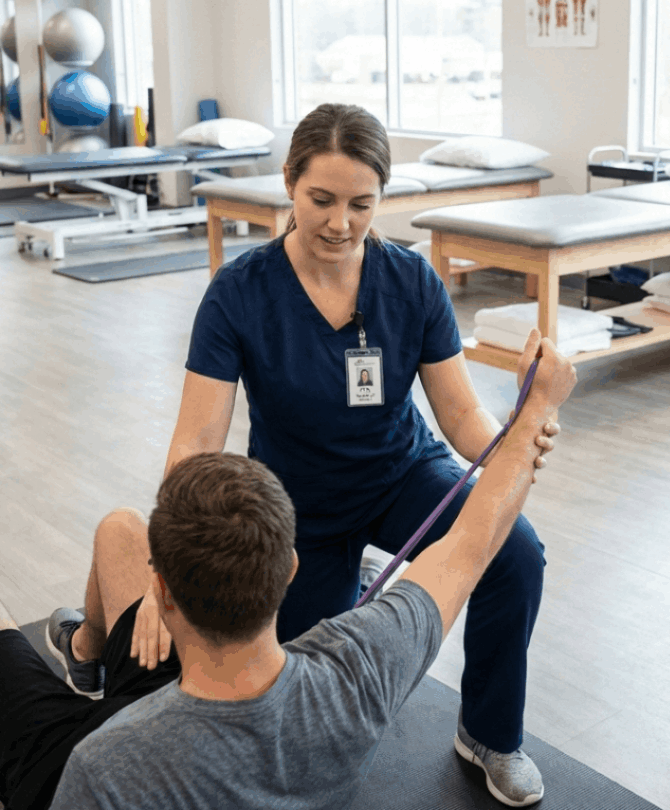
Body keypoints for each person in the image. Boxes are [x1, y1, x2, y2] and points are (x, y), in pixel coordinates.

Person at [137, 102, 559, 806]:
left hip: (402, 474)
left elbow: (458, 412)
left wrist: (518, 435)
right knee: (295, 680)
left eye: (361, 204)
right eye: (321, 200)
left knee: (515, 553)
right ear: (290, 184)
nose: (340, 223)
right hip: (293, 503)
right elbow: (197, 442)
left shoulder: (411, 280)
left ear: (382, 198)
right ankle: (349, 571)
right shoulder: (239, 294)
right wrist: (167, 563)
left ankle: (489, 732)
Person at [0, 333, 577, 810]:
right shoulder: (359, 671)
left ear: (163, 592)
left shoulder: (103, 767)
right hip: (167, 680)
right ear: (290, 570)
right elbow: (474, 541)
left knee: (111, 538)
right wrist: (539, 408)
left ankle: (86, 653)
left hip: (98, 739)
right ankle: (85, 648)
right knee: (121, 529)